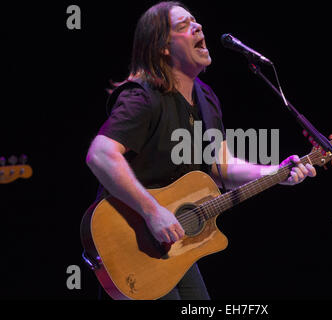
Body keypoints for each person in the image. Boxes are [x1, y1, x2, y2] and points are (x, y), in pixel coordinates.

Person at [85, 1, 316, 300]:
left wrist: (275, 173)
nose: (198, 27)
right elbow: (100, 154)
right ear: (162, 48)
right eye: (183, 26)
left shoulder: (206, 98)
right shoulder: (143, 97)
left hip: (171, 244)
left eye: (196, 21)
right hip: (130, 241)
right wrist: (153, 212)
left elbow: (221, 167)